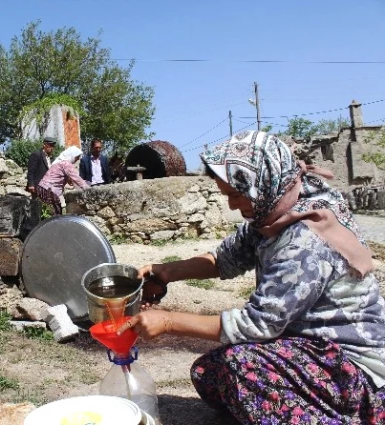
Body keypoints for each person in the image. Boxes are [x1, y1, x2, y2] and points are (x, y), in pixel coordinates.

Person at [119, 131, 385, 424]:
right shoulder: (273, 215)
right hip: (312, 349)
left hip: (354, 371)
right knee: (209, 373)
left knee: (241, 368)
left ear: (261, 182)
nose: (232, 206)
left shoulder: (304, 239)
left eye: (235, 194)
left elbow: (257, 325)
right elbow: (223, 260)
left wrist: (168, 321)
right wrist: (164, 271)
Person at [37, 146, 89, 215]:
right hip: (49, 191)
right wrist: (89, 189)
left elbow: (57, 176)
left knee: (45, 212)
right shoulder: (66, 164)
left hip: (43, 188)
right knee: (55, 214)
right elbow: (77, 179)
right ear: (72, 155)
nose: (78, 159)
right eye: (77, 157)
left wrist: (68, 180)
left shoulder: (59, 162)